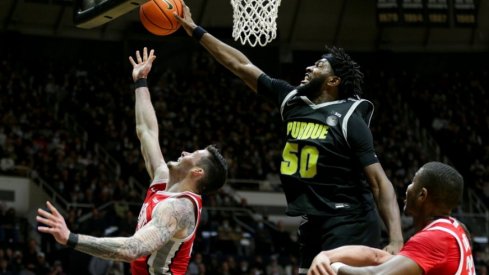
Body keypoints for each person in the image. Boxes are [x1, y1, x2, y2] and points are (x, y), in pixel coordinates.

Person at [174, 3, 403, 273]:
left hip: (350, 219)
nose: (309, 67)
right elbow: (239, 64)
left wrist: (396, 238)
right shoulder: (292, 100)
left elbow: (379, 182)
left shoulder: (350, 117)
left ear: (333, 82)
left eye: (319, 66)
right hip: (313, 220)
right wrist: (195, 30)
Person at [36, 48, 228, 275]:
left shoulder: (180, 208)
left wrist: (71, 238)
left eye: (193, 154)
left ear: (197, 172)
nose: (185, 152)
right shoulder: (163, 180)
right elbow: (146, 130)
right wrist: (141, 82)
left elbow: (131, 249)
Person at [307, 161, 476, 275]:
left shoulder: (433, 239)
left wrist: (333, 268)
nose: (407, 188)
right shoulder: (455, 227)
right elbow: (378, 258)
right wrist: (326, 255)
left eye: (413, 182)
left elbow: (377, 273)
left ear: (422, 195)